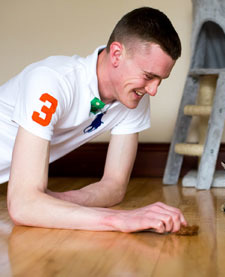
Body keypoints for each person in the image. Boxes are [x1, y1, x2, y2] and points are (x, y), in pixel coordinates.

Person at [0, 7, 187, 233]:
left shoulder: (132, 96)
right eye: (149, 76)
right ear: (117, 54)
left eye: (160, 80)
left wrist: (58, 201)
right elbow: (23, 205)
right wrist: (121, 220)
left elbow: (114, 186)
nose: (153, 90)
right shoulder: (52, 81)